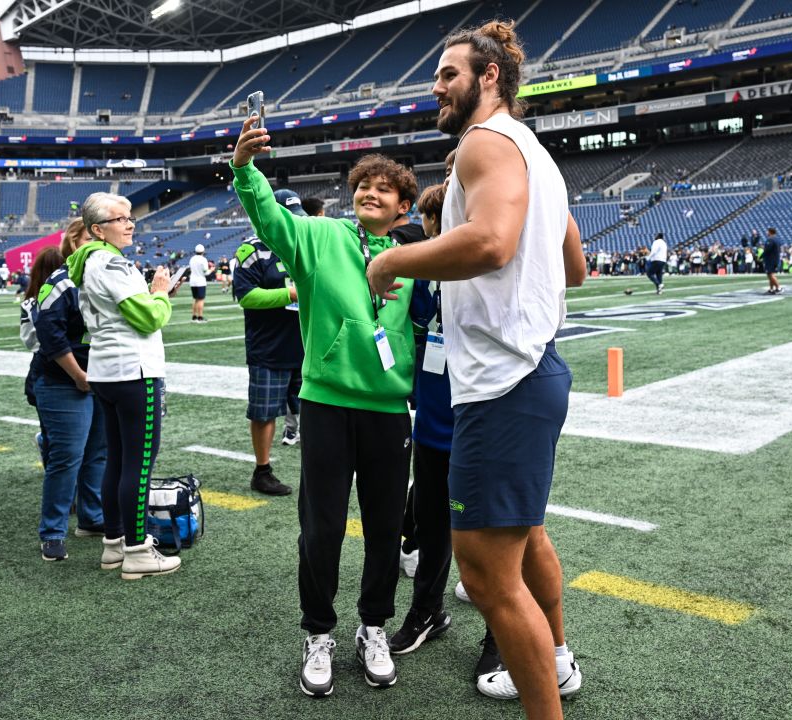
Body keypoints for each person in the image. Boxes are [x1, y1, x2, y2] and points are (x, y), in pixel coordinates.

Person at [364, 21, 581, 719]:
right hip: (534, 371)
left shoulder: (483, 144)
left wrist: (393, 258)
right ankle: (558, 659)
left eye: (449, 73)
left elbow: (490, 242)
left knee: (487, 578)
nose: (437, 86)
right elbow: (574, 265)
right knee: (527, 537)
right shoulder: (536, 155)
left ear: (490, 77)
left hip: (504, 382)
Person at [232, 121, 418, 697]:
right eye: (364, 184)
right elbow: (271, 220)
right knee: (322, 527)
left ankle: (374, 627)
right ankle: (317, 632)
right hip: (326, 404)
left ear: (403, 205)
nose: (370, 192)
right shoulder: (319, 237)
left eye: (384, 189)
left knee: (386, 527)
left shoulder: (416, 257)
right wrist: (245, 170)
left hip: (389, 411)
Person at [68, 192, 180, 580]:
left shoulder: (91, 261)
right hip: (133, 371)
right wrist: (161, 292)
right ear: (98, 229)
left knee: (116, 460)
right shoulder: (110, 263)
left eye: (130, 217)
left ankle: (115, 543)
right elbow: (149, 318)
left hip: (108, 371)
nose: (130, 224)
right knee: (137, 464)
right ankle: (137, 550)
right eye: (121, 219)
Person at [23, 220, 108, 562]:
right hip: (63, 380)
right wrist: (78, 374)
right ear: (74, 241)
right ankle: (52, 531)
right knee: (67, 457)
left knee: (97, 453)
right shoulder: (61, 280)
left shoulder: (106, 275)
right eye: (90, 238)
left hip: (99, 376)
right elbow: (50, 336)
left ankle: (92, 517)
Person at [232, 188, 307, 497]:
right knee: (264, 414)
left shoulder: (303, 243)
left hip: (306, 344)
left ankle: (320, 469)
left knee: (316, 414)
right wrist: (288, 295)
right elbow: (245, 296)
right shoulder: (251, 250)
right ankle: (262, 471)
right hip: (270, 348)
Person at [187, 244, 211, 323]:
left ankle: (194, 317)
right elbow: (206, 272)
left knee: (195, 299)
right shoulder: (203, 259)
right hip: (200, 281)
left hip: (192, 281)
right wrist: (212, 270)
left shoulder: (192, 259)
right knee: (201, 300)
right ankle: (200, 317)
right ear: (203, 251)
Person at [763, 227, 782, 294]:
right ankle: (771, 289)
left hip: (770, 259)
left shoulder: (770, 240)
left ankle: (778, 287)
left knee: (771, 274)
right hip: (775, 258)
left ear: (770, 232)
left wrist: (762, 256)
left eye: (767, 231)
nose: (766, 233)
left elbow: (767, 250)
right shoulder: (777, 239)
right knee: (770, 274)